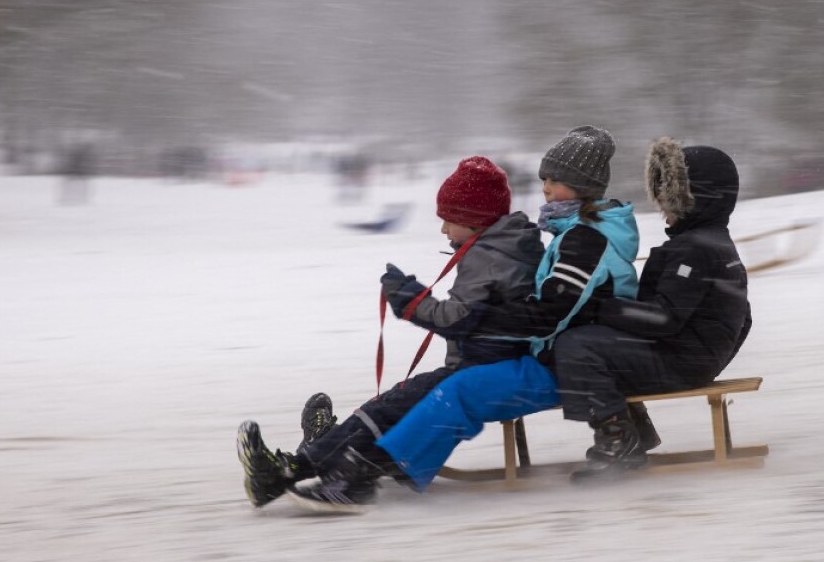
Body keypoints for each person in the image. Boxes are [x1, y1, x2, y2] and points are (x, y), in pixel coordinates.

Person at [290, 125, 641, 510]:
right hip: (562, 358)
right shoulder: (575, 233)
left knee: (459, 390)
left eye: (555, 181)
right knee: (448, 385)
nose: (545, 188)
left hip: (571, 367)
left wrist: (469, 320)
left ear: (583, 186)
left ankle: (364, 471)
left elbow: (550, 314)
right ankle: (350, 459)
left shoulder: (585, 238)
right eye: (544, 179)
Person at [236, 155, 544, 507]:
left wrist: (409, 299)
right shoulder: (504, 247)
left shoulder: (490, 255)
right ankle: (309, 457)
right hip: (483, 361)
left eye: (449, 219)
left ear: (473, 220)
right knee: (390, 404)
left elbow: (458, 318)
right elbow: (479, 314)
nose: (443, 229)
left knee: (392, 407)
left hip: (483, 367)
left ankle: (303, 466)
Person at [551, 140, 752, 478]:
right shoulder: (712, 242)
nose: (662, 207)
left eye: (669, 199)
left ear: (695, 200)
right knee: (598, 341)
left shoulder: (696, 250)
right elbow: (743, 318)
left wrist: (599, 308)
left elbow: (662, 317)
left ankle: (618, 442)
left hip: (682, 361)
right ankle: (635, 432)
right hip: (691, 357)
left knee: (577, 346)